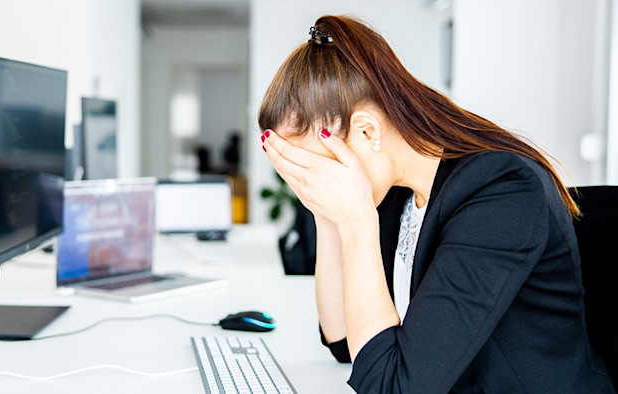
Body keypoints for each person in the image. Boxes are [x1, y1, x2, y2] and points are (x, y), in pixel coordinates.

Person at [258, 15, 616, 393]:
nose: (314, 180)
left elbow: (392, 387)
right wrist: (325, 212)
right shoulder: (398, 192)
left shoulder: (501, 191)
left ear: (367, 131)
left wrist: (356, 222)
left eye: (315, 165)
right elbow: (345, 343)